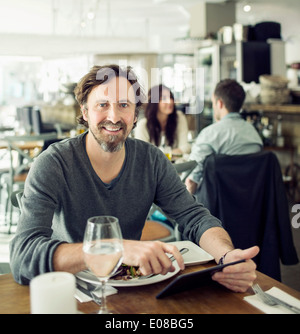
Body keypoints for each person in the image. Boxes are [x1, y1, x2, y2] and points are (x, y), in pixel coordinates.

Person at [10, 65, 259, 292]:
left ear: (136, 115)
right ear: (85, 112)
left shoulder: (151, 160)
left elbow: (194, 217)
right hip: (67, 290)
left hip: (129, 286)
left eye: (124, 105)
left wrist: (226, 256)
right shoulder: (53, 163)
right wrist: (109, 249)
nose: (115, 116)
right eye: (102, 105)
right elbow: (23, 257)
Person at [185, 78, 263, 195]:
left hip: (214, 209)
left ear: (219, 103)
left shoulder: (209, 135)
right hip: (251, 208)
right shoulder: (254, 136)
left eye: (213, 103)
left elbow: (191, 182)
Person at [134, 84, 190, 155]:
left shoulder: (179, 117)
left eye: (170, 97)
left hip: (176, 165)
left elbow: (185, 147)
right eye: (164, 98)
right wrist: (167, 156)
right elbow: (142, 154)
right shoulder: (143, 125)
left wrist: (167, 155)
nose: (170, 102)